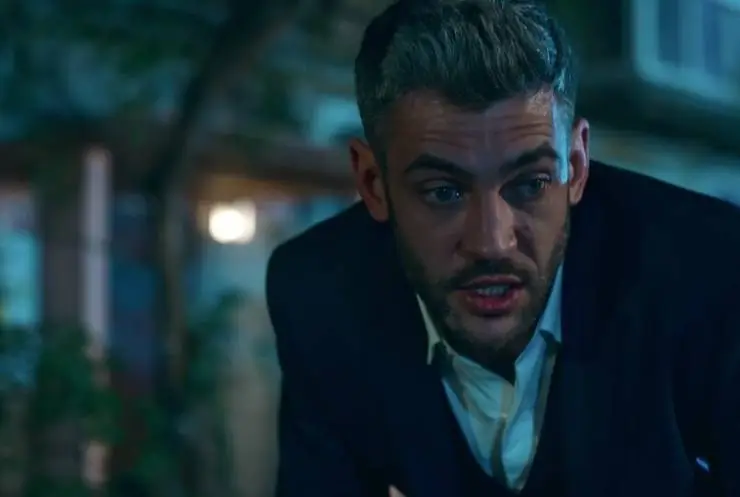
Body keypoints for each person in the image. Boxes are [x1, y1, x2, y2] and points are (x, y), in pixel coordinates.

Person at [266, 1, 740, 496]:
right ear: (372, 182)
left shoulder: (708, 270)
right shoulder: (319, 292)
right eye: (443, 192)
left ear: (577, 166)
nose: (491, 243)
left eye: (531, 184)